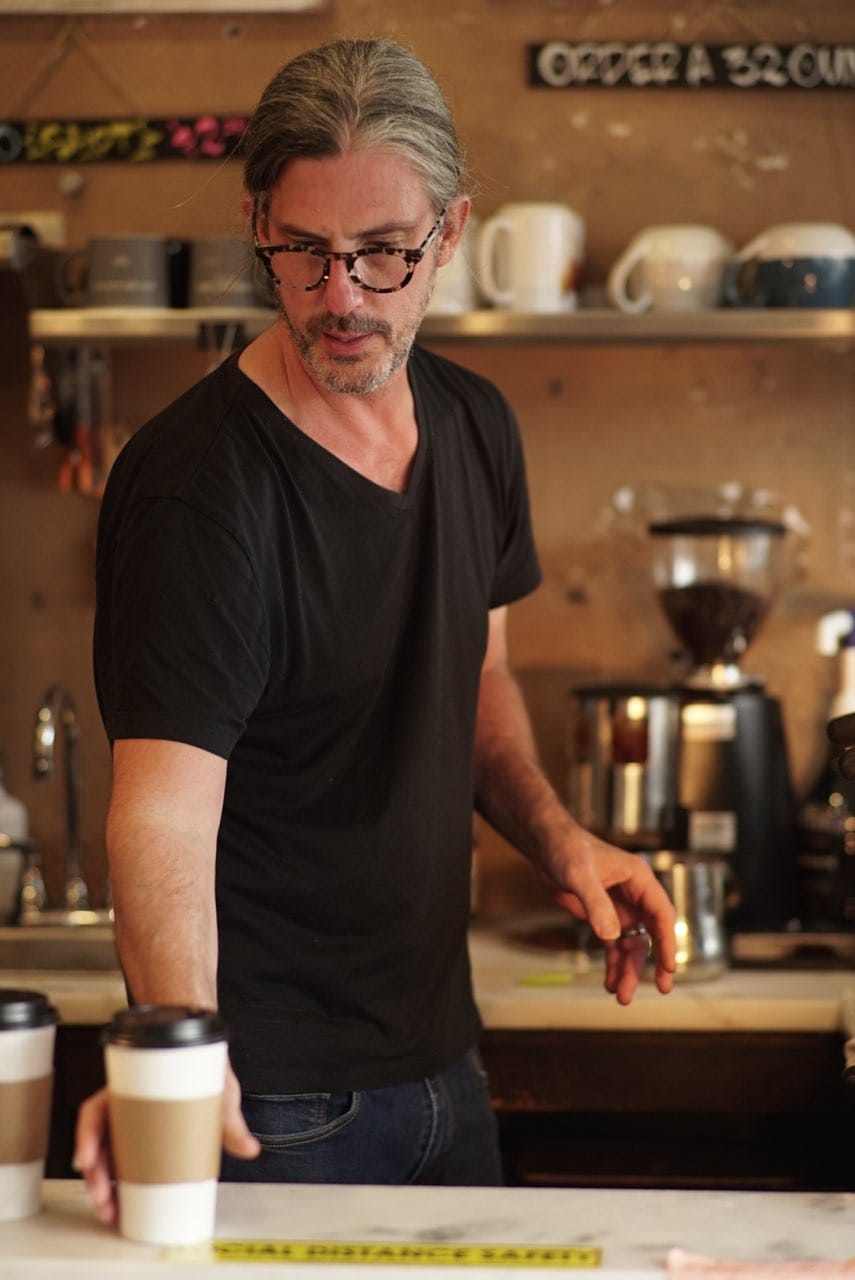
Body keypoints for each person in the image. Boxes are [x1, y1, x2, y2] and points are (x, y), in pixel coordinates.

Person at [75, 37, 676, 1214]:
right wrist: (175, 1056)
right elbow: (158, 814)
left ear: (449, 233)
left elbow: (478, 677)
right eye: (303, 252)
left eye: (384, 254)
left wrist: (562, 843)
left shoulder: (476, 423)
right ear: (259, 223)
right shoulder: (203, 486)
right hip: (272, 1097)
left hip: (445, 1058)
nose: (342, 298)